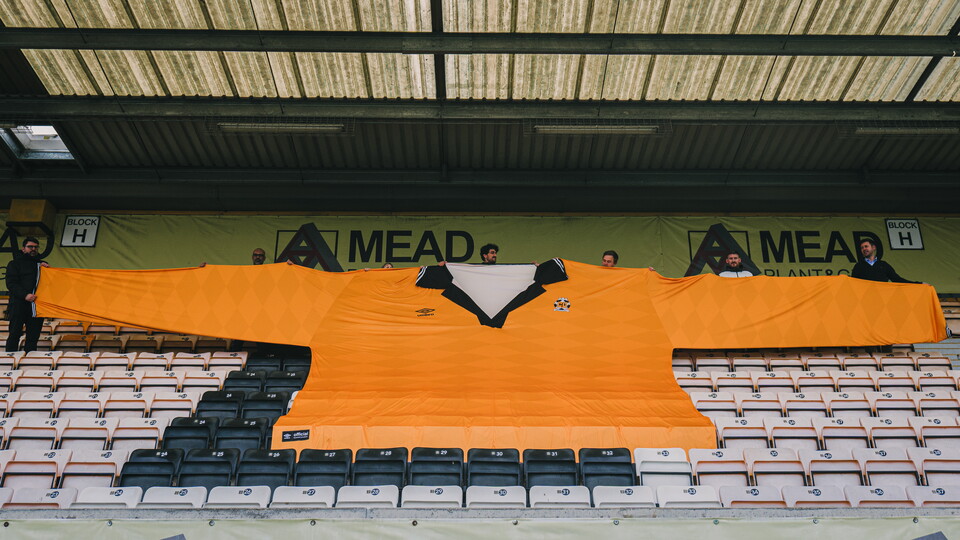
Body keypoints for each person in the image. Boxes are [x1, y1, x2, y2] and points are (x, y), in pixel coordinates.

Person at [5, 237, 51, 352]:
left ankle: (29, 361)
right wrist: (25, 295)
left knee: (33, 336)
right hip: (18, 304)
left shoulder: (42, 265)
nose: (33, 249)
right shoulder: (14, 264)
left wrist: (49, 271)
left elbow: (49, 284)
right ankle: (10, 360)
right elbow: (11, 284)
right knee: (14, 333)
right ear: (23, 249)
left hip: (36, 306)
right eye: (30, 247)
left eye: (36, 247)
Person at [851, 238, 920, 283]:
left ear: (873, 247)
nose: (864, 249)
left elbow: (897, 279)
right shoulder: (858, 266)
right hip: (865, 300)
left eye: (866, 246)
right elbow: (853, 284)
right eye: (862, 248)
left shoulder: (883, 265)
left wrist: (918, 284)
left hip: (882, 299)